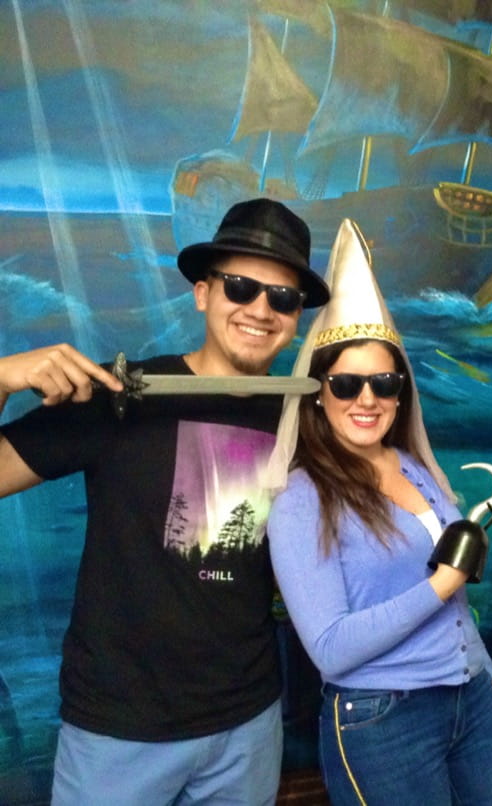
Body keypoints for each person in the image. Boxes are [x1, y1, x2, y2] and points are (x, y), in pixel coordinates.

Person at [0, 198, 330, 804]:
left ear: (296, 316)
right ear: (203, 294)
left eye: (283, 298)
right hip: (116, 734)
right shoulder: (121, 395)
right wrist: (0, 377)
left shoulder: (304, 418)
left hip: (247, 727)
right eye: (240, 287)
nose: (260, 309)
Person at [266, 219, 492, 806]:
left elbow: (457, 613)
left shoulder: (415, 467)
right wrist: (439, 585)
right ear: (318, 392)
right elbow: (330, 648)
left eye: (383, 382)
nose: (367, 399)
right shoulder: (302, 497)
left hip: (470, 701)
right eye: (346, 384)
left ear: (401, 390)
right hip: (383, 719)